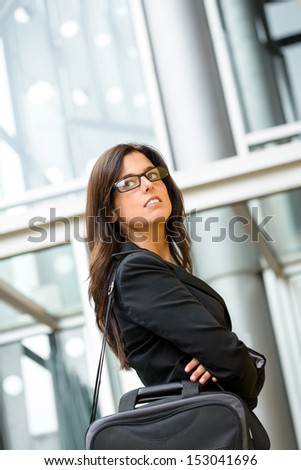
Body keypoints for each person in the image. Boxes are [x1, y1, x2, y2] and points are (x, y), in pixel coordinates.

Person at [85, 142, 270, 449]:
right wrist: (232, 359)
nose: (147, 185)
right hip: (202, 437)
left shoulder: (165, 269)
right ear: (112, 212)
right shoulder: (137, 271)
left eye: (152, 175)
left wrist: (229, 358)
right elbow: (232, 363)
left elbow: (227, 358)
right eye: (129, 183)